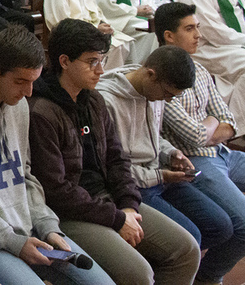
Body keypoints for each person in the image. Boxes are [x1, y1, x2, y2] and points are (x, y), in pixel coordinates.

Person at [28, 18, 201, 285]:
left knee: (186, 250)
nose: (100, 70)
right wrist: (118, 218)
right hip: (70, 214)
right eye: (92, 62)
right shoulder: (42, 111)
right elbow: (57, 191)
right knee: (138, 274)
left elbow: (117, 159)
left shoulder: (94, 100)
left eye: (102, 60)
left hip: (108, 201)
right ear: (64, 61)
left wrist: (129, 205)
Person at [0, 27, 113, 285]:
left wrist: (47, 224)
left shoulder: (19, 105)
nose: (29, 92)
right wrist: (14, 242)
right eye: (21, 81)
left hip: (31, 226)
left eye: (34, 81)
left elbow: (26, 176)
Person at [98, 46, 241, 282]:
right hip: (134, 186)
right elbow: (115, 166)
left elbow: (154, 137)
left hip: (158, 175)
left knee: (221, 226)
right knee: (190, 237)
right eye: (167, 94)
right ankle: (160, 265)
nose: (168, 100)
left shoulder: (155, 91)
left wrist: (171, 153)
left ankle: (169, 265)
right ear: (150, 74)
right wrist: (161, 175)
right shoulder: (108, 101)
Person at [155, 2, 245, 272]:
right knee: (242, 223)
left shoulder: (201, 69)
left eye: (198, 28)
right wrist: (213, 122)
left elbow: (231, 123)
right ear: (169, 36)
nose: (198, 35)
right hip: (196, 162)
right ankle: (209, 276)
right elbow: (193, 137)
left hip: (223, 154)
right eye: (190, 29)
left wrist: (212, 124)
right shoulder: (161, 75)